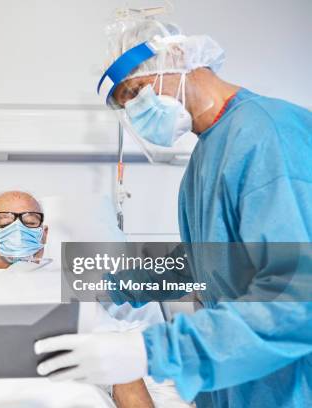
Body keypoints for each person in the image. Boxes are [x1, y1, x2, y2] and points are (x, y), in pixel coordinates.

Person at [34, 18, 312, 408]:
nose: (135, 111)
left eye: (135, 91)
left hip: (289, 386)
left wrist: (150, 350)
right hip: (236, 386)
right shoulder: (205, 158)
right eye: (126, 105)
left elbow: (298, 296)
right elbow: (203, 262)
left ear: (178, 55)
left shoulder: (268, 136)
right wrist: (115, 285)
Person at [0, 190, 188, 408]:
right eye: (5, 220)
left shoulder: (70, 289)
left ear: (43, 237)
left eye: (30, 222)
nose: (18, 228)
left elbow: (122, 368)